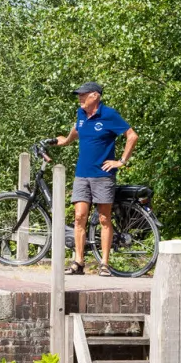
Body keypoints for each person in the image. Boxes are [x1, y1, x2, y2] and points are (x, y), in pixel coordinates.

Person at [51, 81, 137, 276]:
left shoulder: (109, 115)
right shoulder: (81, 114)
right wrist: (64, 141)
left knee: (104, 218)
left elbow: (132, 136)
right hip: (82, 173)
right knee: (79, 217)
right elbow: (76, 130)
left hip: (103, 175)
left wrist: (121, 161)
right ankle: (78, 262)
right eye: (79, 94)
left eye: (83, 94)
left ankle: (104, 263)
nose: (80, 97)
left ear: (95, 96)